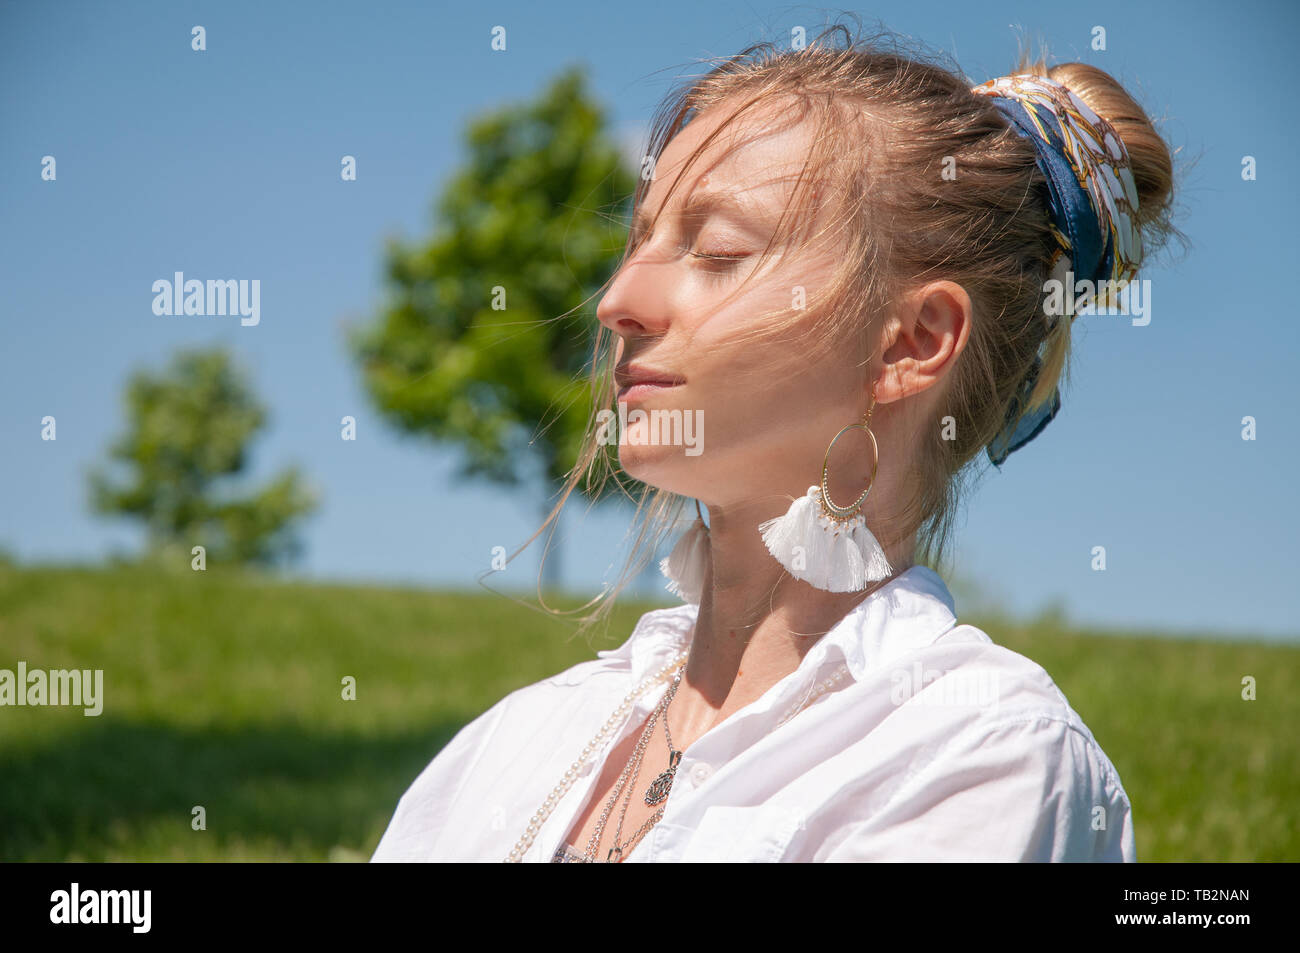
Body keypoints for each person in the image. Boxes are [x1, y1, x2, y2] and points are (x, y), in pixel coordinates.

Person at [371, 22, 1178, 863]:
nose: (618, 299)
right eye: (639, 239)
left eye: (718, 250)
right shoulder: (520, 739)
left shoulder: (979, 754)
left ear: (911, 342)